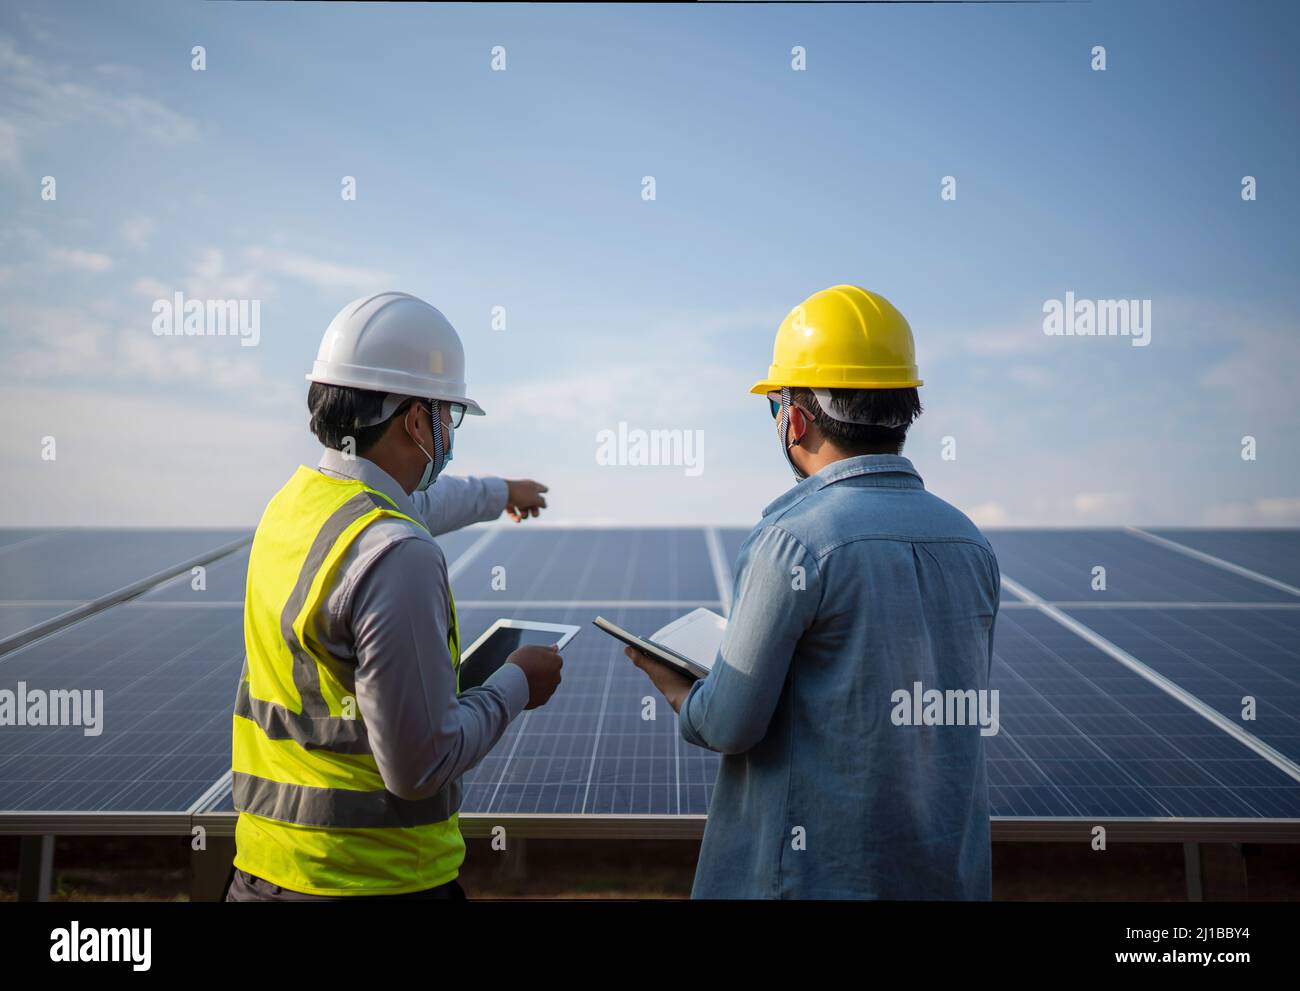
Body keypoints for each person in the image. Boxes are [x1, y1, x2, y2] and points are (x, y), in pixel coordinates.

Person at [626, 285, 1001, 899]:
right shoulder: (969, 542)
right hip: (943, 879)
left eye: (774, 405)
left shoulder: (793, 542)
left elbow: (730, 725)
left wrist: (680, 691)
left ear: (794, 417)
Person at [227, 291, 564, 901]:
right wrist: (518, 683)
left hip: (265, 871)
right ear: (416, 420)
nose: (450, 432)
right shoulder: (397, 554)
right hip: (378, 878)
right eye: (448, 416)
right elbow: (420, 766)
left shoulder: (292, 510)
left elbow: (418, 504)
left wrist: (499, 492)